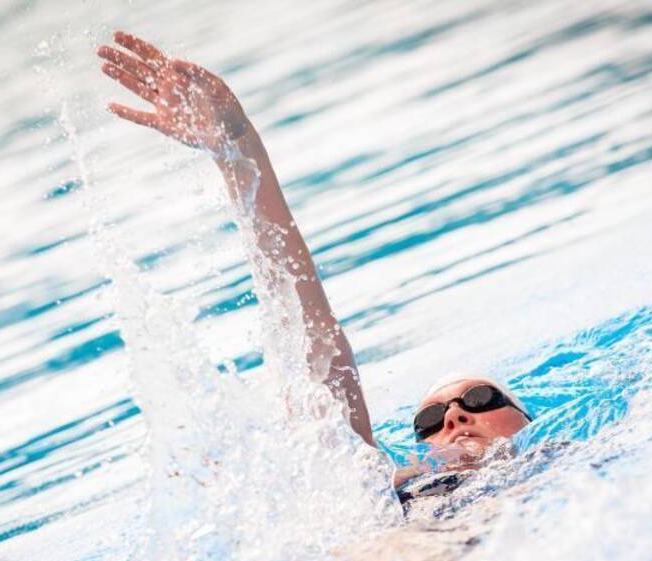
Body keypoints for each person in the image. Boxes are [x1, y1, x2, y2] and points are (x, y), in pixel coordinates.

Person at [97, 32, 533, 503]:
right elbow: (310, 342)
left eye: (480, 399)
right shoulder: (380, 491)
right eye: (429, 422)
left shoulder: (572, 462)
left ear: (526, 418)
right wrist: (236, 150)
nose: (453, 418)